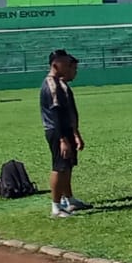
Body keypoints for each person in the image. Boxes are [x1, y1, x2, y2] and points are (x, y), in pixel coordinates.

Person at [39, 49, 89, 218]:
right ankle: (56, 206)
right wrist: (62, 139)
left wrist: (75, 134)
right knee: (59, 167)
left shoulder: (60, 84)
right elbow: (56, 114)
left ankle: (69, 199)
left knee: (66, 166)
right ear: (55, 65)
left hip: (65, 130)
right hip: (56, 131)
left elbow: (69, 112)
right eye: (66, 64)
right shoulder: (51, 85)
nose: (69, 67)